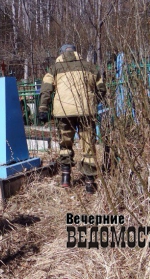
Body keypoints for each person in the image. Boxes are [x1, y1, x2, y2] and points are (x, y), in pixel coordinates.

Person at [38, 44, 106, 194]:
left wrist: (43, 108)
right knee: (88, 144)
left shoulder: (54, 68)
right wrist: (93, 102)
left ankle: (65, 179)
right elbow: (101, 88)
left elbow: (46, 88)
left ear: (61, 53)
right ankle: (89, 183)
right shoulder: (90, 66)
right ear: (76, 52)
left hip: (64, 112)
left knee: (65, 143)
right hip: (86, 111)